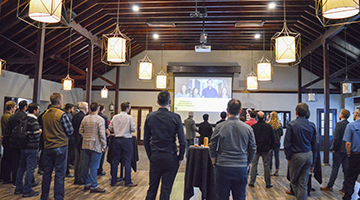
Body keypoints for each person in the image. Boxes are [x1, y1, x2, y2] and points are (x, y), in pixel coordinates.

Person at [209, 99, 257, 200]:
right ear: (240, 111)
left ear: (227, 110)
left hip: (222, 166)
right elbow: (253, 148)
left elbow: (212, 145)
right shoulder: (248, 129)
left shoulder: (219, 127)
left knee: (221, 197)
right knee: (239, 197)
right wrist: (248, 163)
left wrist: (214, 161)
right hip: (241, 167)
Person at [144, 90, 186, 200]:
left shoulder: (150, 117)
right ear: (170, 102)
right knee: (166, 191)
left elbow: (145, 140)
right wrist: (180, 157)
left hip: (156, 155)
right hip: (170, 157)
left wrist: (150, 156)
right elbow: (183, 141)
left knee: (152, 188)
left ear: (157, 102)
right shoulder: (176, 117)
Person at [41, 93, 74, 200]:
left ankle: (44, 196)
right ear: (60, 102)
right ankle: (58, 197)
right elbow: (70, 131)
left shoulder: (45, 114)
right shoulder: (61, 114)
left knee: (47, 173)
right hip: (60, 145)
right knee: (59, 174)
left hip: (48, 146)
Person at [284, 103, 317, 200]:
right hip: (308, 155)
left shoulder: (291, 124)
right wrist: (313, 161)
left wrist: (288, 157)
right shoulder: (312, 125)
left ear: (296, 112)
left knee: (293, 181)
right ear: (307, 112)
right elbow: (314, 145)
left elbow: (287, 143)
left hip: (296, 156)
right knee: (303, 182)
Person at [14, 103, 41, 197]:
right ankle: (27, 190)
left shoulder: (23, 119)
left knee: (21, 167)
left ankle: (18, 188)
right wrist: (40, 132)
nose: (38, 111)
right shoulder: (33, 121)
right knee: (30, 169)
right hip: (32, 147)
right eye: (38, 109)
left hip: (23, 146)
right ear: (34, 111)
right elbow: (36, 135)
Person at [80, 102, 107, 193]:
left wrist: (86, 136)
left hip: (86, 144)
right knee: (94, 166)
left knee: (86, 165)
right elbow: (102, 134)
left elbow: (80, 130)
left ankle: (87, 183)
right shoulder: (100, 119)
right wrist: (104, 145)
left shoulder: (85, 118)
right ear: (98, 109)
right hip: (96, 145)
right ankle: (94, 185)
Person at [321, 109, 350, 193]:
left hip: (339, 150)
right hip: (346, 150)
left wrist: (333, 148)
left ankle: (330, 186)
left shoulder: (339, 124)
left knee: (335, 168)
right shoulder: (349, 124)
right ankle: (345, 188)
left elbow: (336, 138)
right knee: (345, 170)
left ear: (342, 115)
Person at [109, 101, 137, 187]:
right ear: (127, 109)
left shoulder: (115, 117)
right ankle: (128, 181)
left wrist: (118, 130)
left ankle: (113, 181)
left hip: (117, 140)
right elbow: (133, 129)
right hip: (127, 140)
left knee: (115, 161)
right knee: (127, 161)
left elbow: (110, 128)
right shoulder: (129, 118)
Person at [249, 111, 275, 188]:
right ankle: (268, 183)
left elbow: (251, 139)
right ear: (264, 117)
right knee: (266, 166)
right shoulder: (269, 127)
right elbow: (273, 138)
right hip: (266, 149)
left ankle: (252, 182)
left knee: (254, 165)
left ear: (257, 117)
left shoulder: (253, 127)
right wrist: (271, 147)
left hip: (256, 149)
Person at [8, 100, 29, 186]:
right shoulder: (25, 117)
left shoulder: (12, 116)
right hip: (22, 142)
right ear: (25, 107)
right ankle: (20, 181)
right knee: (23, 163)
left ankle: (14, 180)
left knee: (15, 161)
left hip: (13, 141)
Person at [342, 108, 360, 200]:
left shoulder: (351, 126)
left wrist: (349, 154)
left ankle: (348, 196)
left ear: (356, 114)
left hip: (355, 155)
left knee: (350, 177)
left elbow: (348, 143)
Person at [72, 102, 88, 185]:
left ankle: (76, 177)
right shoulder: (84, 117)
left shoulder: (75, 116)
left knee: (77, 160)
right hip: (82, 139)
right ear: (86, 109)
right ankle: (81, 178)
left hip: (75, 139)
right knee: (82, 160)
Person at [1, 101, 17, 184]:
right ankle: (7, 177)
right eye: (14, 107)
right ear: (11, 108)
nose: (15, 109)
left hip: (5, 138)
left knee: (5, 158)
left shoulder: (3, 116)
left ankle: (3, 176)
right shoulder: (10, 117)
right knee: (9, 159)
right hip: (9, 139)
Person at [268, 111, 283, 176]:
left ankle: (270, 170)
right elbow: (281, 133)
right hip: (277, 142)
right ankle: (276, 170)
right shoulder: (279, 124)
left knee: (270, 157)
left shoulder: (269, 124)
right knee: (277, 156)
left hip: (270, 142)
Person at [97, 103, 110, 176]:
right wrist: (108, 134)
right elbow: (106, 130)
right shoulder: (103, 118)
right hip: (102, 138)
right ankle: (100, 170)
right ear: (103, 109)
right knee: (101, 156)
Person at [64, 103, 75, 178]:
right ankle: (66, 171)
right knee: (67, 155)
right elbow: (70, 129)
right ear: (70, 109)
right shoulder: (68, 116)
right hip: (69, 138)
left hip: (64, 138)